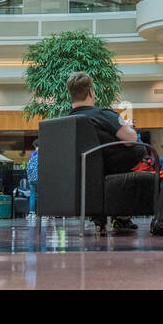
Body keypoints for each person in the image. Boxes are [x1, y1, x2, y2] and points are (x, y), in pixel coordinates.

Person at [67, 70, 147, 232]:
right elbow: (131, 140)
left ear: (71, 94)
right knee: (140, 147)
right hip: (107, 165)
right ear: (91, 91)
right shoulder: (104, 114)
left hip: (79, 171)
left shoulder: (66, 122)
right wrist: (127, 127)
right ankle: (123, 216)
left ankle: (113, 217)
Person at [25, 141, 38, 215]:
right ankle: (44, 214)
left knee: (32, 195)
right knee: (43, 194)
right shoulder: (42, 154)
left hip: (31, 178)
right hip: (39, 177)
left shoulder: (32, 154)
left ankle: (32, 213)